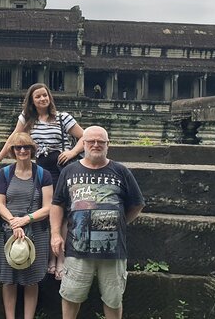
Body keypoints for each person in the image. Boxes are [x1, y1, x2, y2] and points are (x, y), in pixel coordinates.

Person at [0, 83, 84, 277]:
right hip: (40, 170)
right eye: (38, 96)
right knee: (47, 215)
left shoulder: (62, 118)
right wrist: (0, 157)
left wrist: (72, 151)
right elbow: (15, 138)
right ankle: (50, 257)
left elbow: (85, 136)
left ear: (50, 97)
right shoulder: (27, 119)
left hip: (60, 169)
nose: (42, 99)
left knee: (62, 215)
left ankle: (61, 259)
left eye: (45, 95)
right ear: (32, 100)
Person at [50, 126, 145, 319]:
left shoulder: (121, 171)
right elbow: (57, 204)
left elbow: (137, 204)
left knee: (113, 298)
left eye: (101, 141)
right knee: (71, 295)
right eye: (91, 141)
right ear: (83, 144)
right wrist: (55, 234)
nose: (96, 145)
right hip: (77, 248)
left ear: (107, 145)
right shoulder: (69, 171)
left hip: (113, 250)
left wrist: (119, 222)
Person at [0, 132, 53, 319]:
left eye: (26, 147)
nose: (22, 151)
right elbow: (0, 203)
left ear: (32, 149)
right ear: (12, 151)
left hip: (36, 231)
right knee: (8, 279)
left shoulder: (43, 174)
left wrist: (25, 219)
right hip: (9, 230)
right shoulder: (5, 173)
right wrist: (14, 222)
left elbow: (47, 207)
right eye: (18, 147)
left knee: (32, 279)